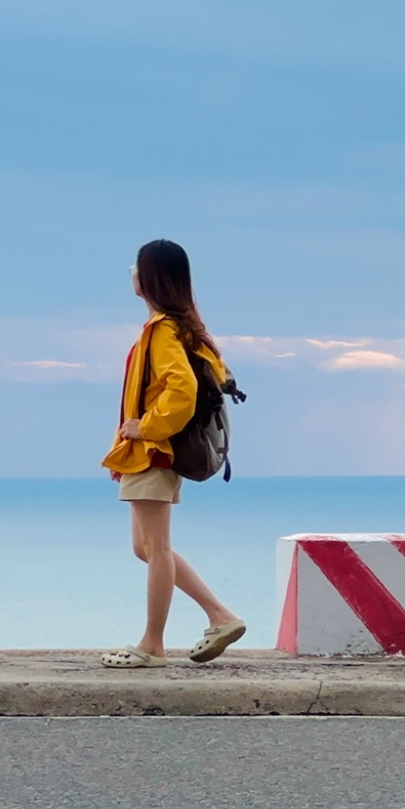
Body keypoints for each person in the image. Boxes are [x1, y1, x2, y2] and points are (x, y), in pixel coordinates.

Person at [102, 236, 248, 665]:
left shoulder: (163, 330)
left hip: (154, 450)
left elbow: (182, 392)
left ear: (149, 278)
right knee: (145, 547)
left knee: (157, 547)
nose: (130, 271)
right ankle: (220, 615)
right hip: (153, 452)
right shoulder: (186, 329)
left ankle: (152, 645)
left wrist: (143, 428)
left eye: (136, 265)